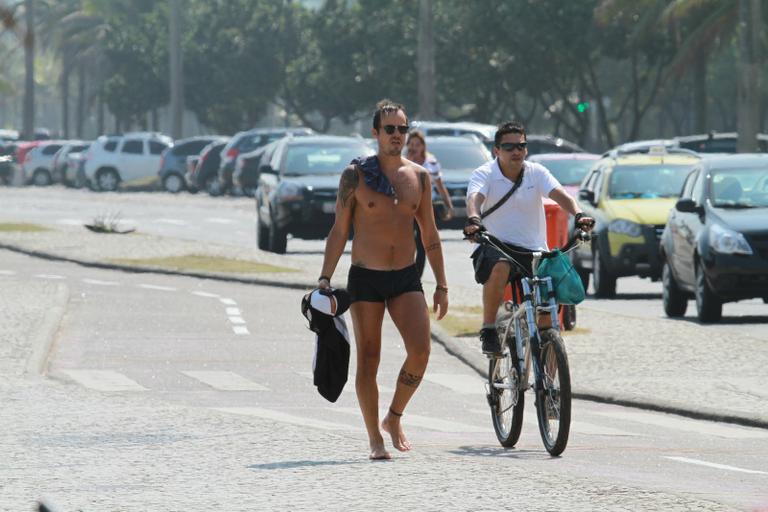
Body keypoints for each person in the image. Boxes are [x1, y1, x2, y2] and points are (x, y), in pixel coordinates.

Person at [317, 99, 449, 460]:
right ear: (375, 133)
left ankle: (394, 417)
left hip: (406, 277)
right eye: (390, 129)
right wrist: (325, 278)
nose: (397, 135)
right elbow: (339, 230)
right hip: (366, 280)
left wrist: (441, 284)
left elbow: (430, 235)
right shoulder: (355, 176)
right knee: (369, 358)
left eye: (402, 129)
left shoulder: (419, 177)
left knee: (420, 351)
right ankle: (374, 436)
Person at [463, 121, 594, 358]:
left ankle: (552, 386)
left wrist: (580, 215)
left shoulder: (536, 172)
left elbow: (561, 196)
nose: (516, 151)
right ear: (496, 151)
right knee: (501, 266)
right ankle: (489, 329)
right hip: (497, 246)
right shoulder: (485, 174)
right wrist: (474, 219)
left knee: (548, 323)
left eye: (521, 146)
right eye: (509, 147)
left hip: (535, 252)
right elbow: (475, 198)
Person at [405, 130, 454, 278]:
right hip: (406, 207)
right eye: (411, 144)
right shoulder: (402, 161)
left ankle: (416, 278)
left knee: (423, 243)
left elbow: (440, 186)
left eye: (417, 144)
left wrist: (449, 205)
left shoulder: (430, 162)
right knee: (406, 242)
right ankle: (404, 273)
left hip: (425, 206)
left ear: (423, 146)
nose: (414, 147)